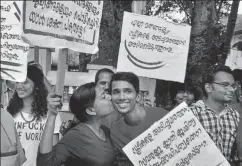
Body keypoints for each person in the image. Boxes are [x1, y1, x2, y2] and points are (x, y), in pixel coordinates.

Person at [37, 82, 116, 166]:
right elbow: (45, 164)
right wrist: (52, 115)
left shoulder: (106, 131)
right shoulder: (77, 136)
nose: (110, 97)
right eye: (103, 97)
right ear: (91, 110)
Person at [7, 64, 61, 166]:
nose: (19, 86)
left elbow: (54, 148)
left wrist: (41, 75)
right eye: (17, 81)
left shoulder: (51, 114)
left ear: (36, 85)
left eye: (25, 82)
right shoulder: (8, 112)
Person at [109, 72, 168, 165]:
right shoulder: (115, 132)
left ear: (138, 96)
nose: (121, 97)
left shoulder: (162, 115)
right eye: (116, 92)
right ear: (111, 97)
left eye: (128, 91)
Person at [189, 64, 240, 165]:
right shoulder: (191, 114)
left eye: (233, 86)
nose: (231, 90)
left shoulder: (236, 116)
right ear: (208, 87)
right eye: (225, 85)